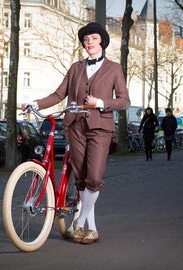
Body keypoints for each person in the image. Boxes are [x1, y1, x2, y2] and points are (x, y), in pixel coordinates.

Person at [22, 22, 130, 245]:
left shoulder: (114, 68)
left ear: (101, 41)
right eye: (86, 39)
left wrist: (100, 102)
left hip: (100, 127)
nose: (89, 42)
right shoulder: (75, 68)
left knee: (94, 178)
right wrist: (35, 103)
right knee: (81, 180)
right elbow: (58, 94)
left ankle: (79, 223)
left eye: (93, 38)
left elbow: (124, 101)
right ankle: (92, 229)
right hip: (75, 127)